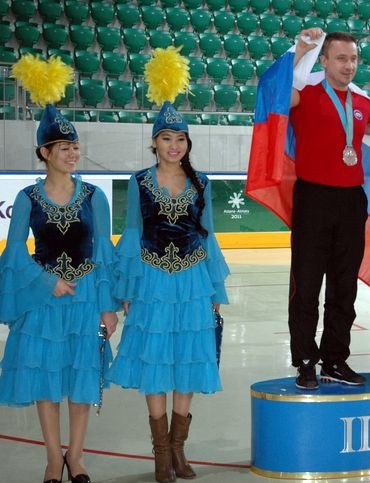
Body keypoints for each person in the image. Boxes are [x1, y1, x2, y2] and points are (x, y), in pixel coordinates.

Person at [107, 47, 229, 482]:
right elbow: (131, 234)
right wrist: (127, 290)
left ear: (187, 144)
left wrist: (214, 291)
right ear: (154, 142)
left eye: (181, 139)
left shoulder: (202, 182)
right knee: (157, 363)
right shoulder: (139, 182)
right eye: (166, 139)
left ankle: (179, 449)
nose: (174, 146)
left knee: (188, 361)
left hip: (193, 280)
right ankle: (160, 453)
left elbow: (208, 234)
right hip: (153, 281)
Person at [0, 55, 118, 483]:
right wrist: (46, 282)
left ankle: (77, 456)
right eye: (64, 147)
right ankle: (53, 459)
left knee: (81, 382)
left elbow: (104, 253)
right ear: (44, 153)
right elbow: (14, 253)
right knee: (47, 383)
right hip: (44, 303)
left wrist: (108, 306)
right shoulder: (28, 199)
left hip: (86, 300)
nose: (72, 153)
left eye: (75, 146)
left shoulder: (94, 198)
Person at [289, 29, 370, 390]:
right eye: (341, 58)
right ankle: (305, 362)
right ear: (324, 61)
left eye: (354, 58)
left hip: (351, 201)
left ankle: (335, 360)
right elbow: (274, 92)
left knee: (344, 287)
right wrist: (299, 51)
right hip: (313, 199)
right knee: (307, 286)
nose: (349, 65)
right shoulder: (304, 93)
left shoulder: (362, 102)